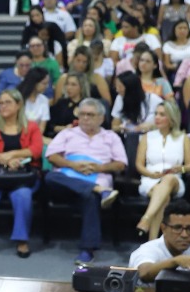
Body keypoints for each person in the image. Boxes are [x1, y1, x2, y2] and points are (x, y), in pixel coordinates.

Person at [45, 98, 129, 262]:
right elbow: (52, 156)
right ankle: (98, 189)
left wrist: (98, 168)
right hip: (68, 180)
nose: (85, 118)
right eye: (82, 114)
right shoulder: (68, 133)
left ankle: (87, 250)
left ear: (101, 118)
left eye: (90, 115)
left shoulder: (111, 137)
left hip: (97, 175)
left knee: (90, 198)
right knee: (50, 176)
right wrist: (73, 165)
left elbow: (121, 164)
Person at [0, 88, 44, 259]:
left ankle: (21, 239)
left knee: (23, 195)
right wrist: (4, 160)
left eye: (7, 102)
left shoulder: (32, 126)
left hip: (24, 171)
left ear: (19, 105)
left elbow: (36, 150)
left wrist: (13, 155)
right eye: (0, 103)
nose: (3, 106)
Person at [133, 101, 190, 240]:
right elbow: (139, 164)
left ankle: (146, 218)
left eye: (162, 114)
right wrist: (151, 174)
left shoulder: (183, 138)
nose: (157, 117)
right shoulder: (147, 137)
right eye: (156, 114)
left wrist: (180, 168)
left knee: (169, 178)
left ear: (171, 118)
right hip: (150, 180)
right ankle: (152, 242)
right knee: (163, 198)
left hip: (175, 180)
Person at [129, 201, 190, 283]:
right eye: (177, 228)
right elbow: (144, 274)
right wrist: (175, 261)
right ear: (163, 228)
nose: (184, 235)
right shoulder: (147, 250)